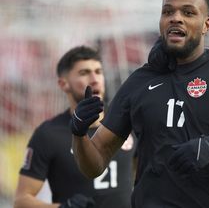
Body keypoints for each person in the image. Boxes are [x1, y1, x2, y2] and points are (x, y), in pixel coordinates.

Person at [70, 0, 209, 208]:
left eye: (188, 12)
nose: (175, 17)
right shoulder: (139, 81)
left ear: (206, 25)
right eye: (168, 12)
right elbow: (94, 164)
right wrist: (78, 133)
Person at [14, 46, 136, 208]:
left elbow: (145, 177)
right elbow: (21, 201)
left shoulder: (126, 122)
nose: (94, 79)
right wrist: (63, 207)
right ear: (63, 84)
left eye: (98, 71)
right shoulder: (49, 134)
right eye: (84, 73)